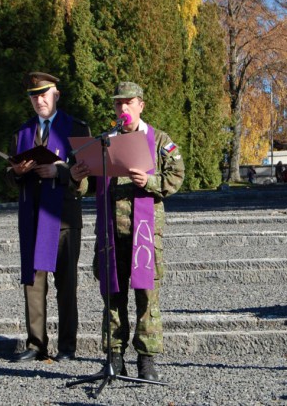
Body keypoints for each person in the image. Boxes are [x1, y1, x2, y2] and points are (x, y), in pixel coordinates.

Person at [73, 81, 184, 380]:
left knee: (147, 296)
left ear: (141, 105)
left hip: (144, 233)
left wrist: (147, 182)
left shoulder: (159, 140)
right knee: (112, 297)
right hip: (111, 233)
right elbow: (89, 185)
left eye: (128, 102)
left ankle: (146, 360)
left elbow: (177, 176)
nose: (122, 108)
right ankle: (114, 358)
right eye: (118, 103)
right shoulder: (104, 141)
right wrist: (77, 177)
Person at [5, 72, 91, 362]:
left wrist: (60, 171)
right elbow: (8, 178)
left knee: (66, 285)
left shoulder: (76, 129)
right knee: (33, 283)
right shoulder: (21, 133)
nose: (39, 100)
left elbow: (87, 178)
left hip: (63, 217)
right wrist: (16, 172)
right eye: (33, 96)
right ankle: (36, 344)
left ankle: (67, 346)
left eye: (44, 94)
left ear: (57, 94)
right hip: (32, 216)